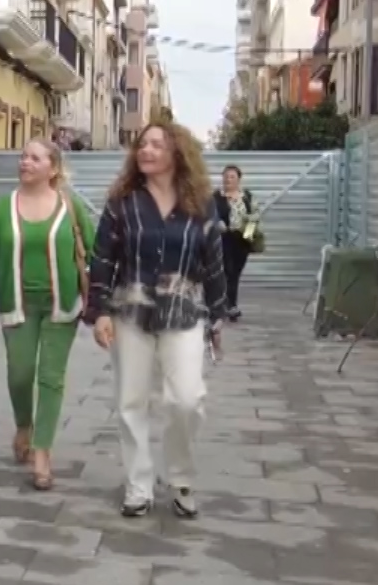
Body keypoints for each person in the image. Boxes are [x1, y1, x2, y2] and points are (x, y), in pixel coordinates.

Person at [86, 123, 228, 519]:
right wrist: (98, 312)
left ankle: (181, 476)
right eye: (142, 144)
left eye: (156, 144)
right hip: (130, 311)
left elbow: (214, 263)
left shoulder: (201, 203)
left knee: (187, 399)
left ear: (177, 153)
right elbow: (102, 259)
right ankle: (138, 484)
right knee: (131, 400)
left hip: (184, 312)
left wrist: (218, 317)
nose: (145, 150)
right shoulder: (123, 202)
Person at [0, 141, 98, 491]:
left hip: (62, 305)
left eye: (34, 158)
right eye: (23, 156)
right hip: (17, 303)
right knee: (20, 373)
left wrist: (101, 304)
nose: (25, 162)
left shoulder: (70, 208)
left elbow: (94, 252)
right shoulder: (0, 209)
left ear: (53, 169)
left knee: (51, 377)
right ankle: (23, 424)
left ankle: (42, 452)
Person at [214, 165, 256, 320]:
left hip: (241, 240)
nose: (227, 179)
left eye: (231, 176)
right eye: (225, 176)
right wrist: (217, 221)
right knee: (227, 271)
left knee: (235, 273)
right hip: (224, 238)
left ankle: (228, 304)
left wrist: (248, 236)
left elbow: (254, 216)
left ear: (239, 179)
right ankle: (230, 306)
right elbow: (210, 213)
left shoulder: (247, 196)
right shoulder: (217, 196)